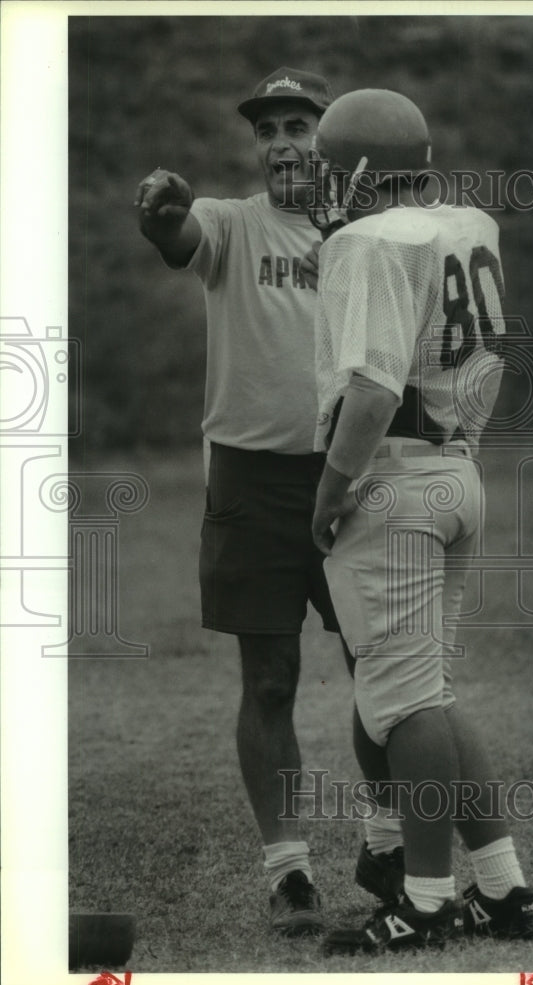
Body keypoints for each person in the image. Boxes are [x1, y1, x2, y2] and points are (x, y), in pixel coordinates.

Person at [310, 88, 533, 953]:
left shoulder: (365, 242)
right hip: (455, 467)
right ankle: (505, 888)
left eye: (333, 170)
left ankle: (426, 902)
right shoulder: (470, 223)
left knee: (407, 705)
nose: (323, 187)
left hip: (394, 476)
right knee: (431, 698)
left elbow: (372, 388)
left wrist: (331, 491)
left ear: (362, 173)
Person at [134, 67, 357, 937]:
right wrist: (161, 209)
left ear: (330, 139)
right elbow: (175, 230)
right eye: (268, 130)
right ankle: (290, 872)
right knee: (270, 679)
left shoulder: (364, 235)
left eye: (298, 125)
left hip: (351, 473)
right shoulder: (231, 223)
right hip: (252, 478)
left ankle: (387, 846)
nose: (281, 143)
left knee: (379, 671)